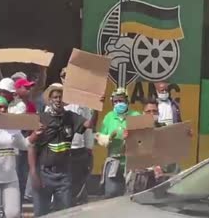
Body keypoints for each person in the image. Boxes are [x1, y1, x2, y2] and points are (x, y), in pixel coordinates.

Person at [28, 83, 97, 217]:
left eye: (61, 97)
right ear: (50, 99)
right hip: (44, 173)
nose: (58, 100)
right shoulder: (41, 118)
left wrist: (97, 108)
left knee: (65, 213)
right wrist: (33, 173)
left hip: (64, 174)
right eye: (55, 97)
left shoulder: (71, 116)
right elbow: (31, 146)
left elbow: (89, 124)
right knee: (41, 213)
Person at [58, 69, 96, 205]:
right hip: (61, 149)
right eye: (64, 76)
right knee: (64, 184)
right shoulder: (55, 95)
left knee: (78, 183)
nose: (67, 78)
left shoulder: (82, 100)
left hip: (78, 148)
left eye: (70, 75)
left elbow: (87, 124)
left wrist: (89, 147)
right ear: (61, 77)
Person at [95, 87, 140, 199]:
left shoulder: (136, 115)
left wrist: (132, 137)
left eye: (121, 100)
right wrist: (107, 138)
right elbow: (101, 137)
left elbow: (144, 138)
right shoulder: (109, 117)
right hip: (113, 162)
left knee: (132, 196)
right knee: (111, 195)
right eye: (115, 101)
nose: (118, 103)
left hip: (132, 163)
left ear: (127, 101)